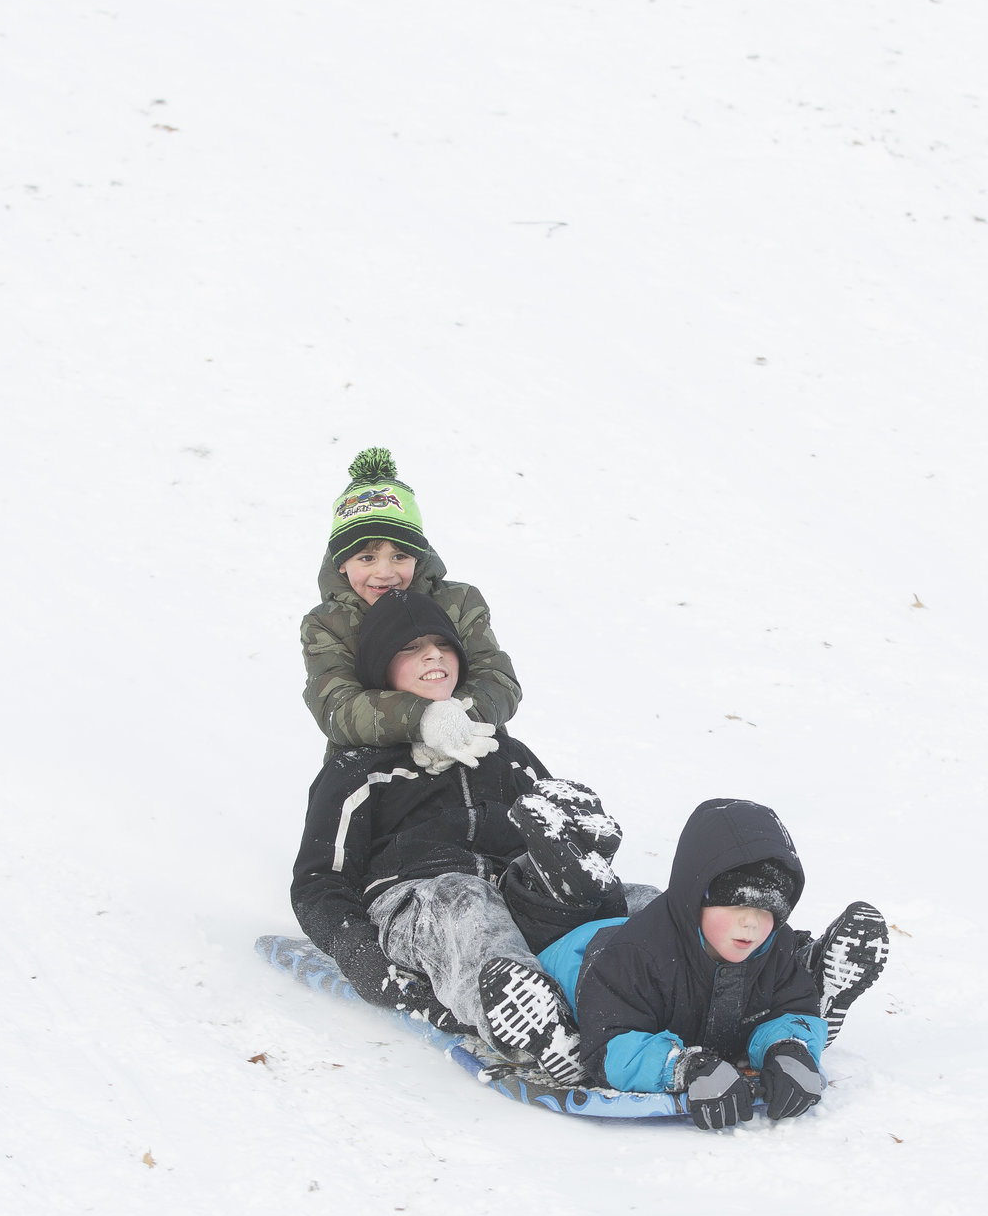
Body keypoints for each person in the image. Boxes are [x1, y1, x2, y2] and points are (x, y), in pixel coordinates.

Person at [290, 589, 648, 1078]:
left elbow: (553, 835)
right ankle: (535, 1028)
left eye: (442, 644)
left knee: (642, 901)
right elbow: (318, 882)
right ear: (380, 670)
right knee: (466, 898)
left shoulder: (503, 750)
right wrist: (361, 956)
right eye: (410, 648)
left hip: (514, 897)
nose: (433, 654)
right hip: (418, 906)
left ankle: (716, 983)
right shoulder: (360, 767)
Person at [532, 799, 890, 1130]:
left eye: (768, 911)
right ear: (696, 899)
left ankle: (811, 964)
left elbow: (793, 1005)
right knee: (559, 986)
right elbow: (614, 1043)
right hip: (582, 961)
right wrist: (684, 1067)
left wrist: (789, 1049)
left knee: (780, 979)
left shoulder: (773, 946)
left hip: (682, 963)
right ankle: (544, 1019)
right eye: (736, 906)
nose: (751, 924)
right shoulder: (637, 955)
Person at [300, 448, 520, 762]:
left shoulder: (458, 602)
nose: (385, 572)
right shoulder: (327, 624)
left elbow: (498, 679)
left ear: (418, 556)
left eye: (400, 556)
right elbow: (336, 705)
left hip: (470, 750)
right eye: (367, 558)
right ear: (342, 564)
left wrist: (455, 722)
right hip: (372, 765)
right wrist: (423, 721)